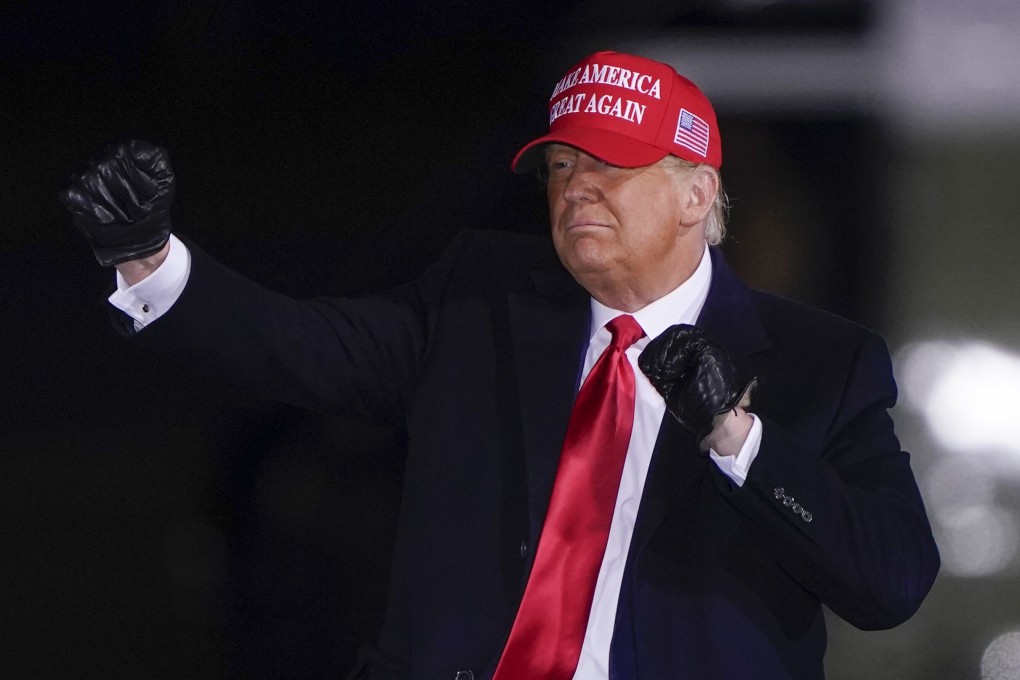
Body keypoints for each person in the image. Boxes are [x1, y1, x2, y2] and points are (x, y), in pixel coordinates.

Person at [60, 50, 939, 680]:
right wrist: (151, 260)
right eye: (560, 165)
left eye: (609, 165)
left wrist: (736, 436)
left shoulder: (823, 364)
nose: (575, 188)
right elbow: (307, 347)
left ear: (696, 192)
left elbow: (891, 582)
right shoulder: (483, 298)